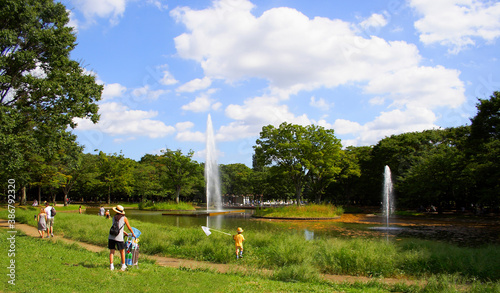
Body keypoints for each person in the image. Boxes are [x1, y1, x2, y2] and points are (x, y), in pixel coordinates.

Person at [108, 205, 135, 271]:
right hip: (119, 237)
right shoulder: (124, 218)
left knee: (112, 251)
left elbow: (115, 227)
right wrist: (133, 234)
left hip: (111, 236)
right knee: (122, 251)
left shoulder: (114, 217)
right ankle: (123, 266)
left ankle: (111, 266)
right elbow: (129, 227)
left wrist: (123, 232)